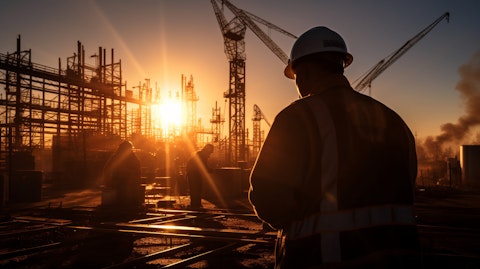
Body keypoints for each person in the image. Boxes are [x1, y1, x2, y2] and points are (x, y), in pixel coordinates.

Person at [248, 26, 420, 269]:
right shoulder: (395, 121)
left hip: (324, 258)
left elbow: (268, 198)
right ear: (341, 65)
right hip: (399, 258)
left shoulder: (297, 118)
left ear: (303, 72)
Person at [103, 140, 142, 207]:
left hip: (124, 181)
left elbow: (107, 168)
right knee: (123, 197)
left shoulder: (117, 157)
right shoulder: (132, 158)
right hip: (122, 182)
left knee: (122, 198)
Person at [186, 144, 214, 209]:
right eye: (210, 152)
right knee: (196, 188)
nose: (210, 154)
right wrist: (212, 170)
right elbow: (204, 166)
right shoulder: (203, 155)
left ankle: (196, 204)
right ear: (207, 150)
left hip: (193, 172)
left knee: (197, 187)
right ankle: (195, 204)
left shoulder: (201, 154)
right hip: (193, 172)